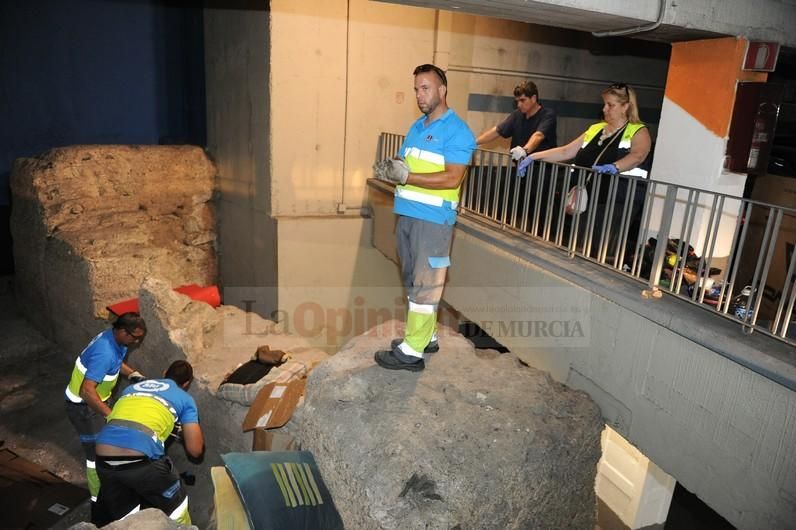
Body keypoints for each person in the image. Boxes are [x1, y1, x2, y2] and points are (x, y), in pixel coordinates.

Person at [373, 63, 476, 371]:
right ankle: (427, 336)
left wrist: (407, 176)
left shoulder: (458, 131)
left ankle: (412, 352)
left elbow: (452, 178)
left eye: (426, 88)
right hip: (407, 216)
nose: (419, 95)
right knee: (412, 280)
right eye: (417, 88)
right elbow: (407, 164)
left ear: (442, 90)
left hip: (432, 221)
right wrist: (394, 167)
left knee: (425, 283)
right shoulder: (418, 126)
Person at [519, 82, 651, 257]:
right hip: (588, 198)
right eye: (604, 104)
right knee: (580, 246)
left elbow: (638, 155)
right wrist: (532, 156)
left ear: (626, 106)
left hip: (618, 200)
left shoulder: (638, 131)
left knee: (601, 249)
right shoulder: (595, 129)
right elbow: (566, 151)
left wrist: (615, 167)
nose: (604, 109)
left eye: (610, 105)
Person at [93, 360, 203, 525]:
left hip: (103, 458)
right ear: (186, 384)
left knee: (125, 516)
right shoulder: (185, 399)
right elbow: (195, 450)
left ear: (165, 372)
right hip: (140, 460)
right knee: (177, 506)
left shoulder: (130, 389)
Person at [64, 312, 147, 511]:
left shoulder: (114, 340)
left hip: (96, 401)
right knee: (96, 456)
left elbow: (115, 363)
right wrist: (109, 415)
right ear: (121, 331)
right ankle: (98, 499)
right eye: (134, 337)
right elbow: (87, 391)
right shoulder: (105, 352)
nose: (136, 342)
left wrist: (132, 373)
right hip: (83, 409)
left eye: (139, 338)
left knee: (110, 446)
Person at [475, 80, 557, 160]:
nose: (519, 105)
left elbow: (538, 136)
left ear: (533, 98)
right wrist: (474, 142)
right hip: (522, 167)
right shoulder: (517, 115)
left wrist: (524, 150)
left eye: (522, 100)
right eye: (517, 101)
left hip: (543, 170)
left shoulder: (547, 115)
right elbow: (497, 131)